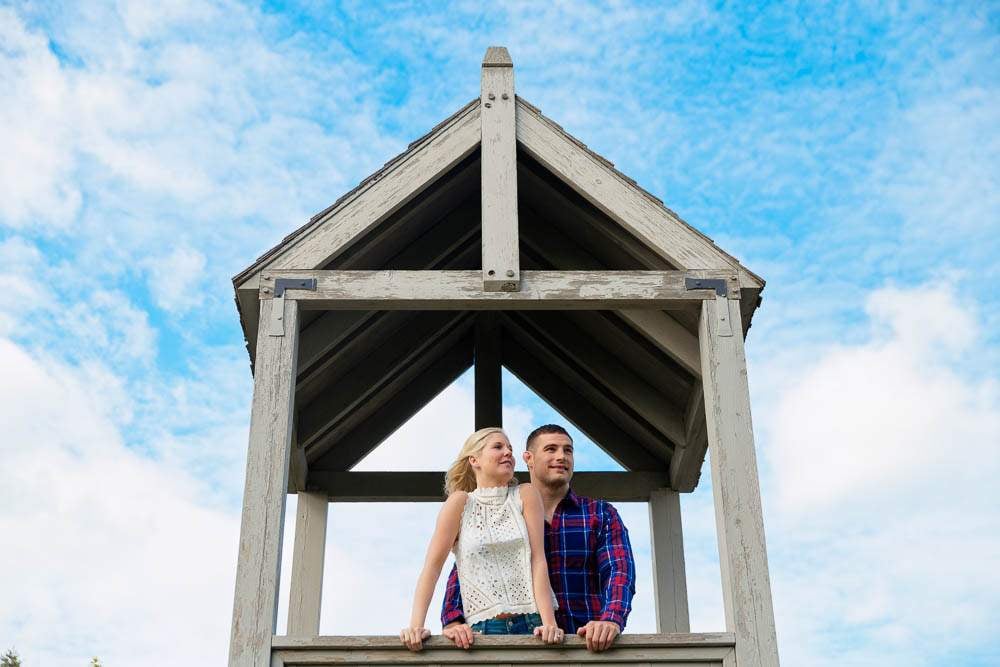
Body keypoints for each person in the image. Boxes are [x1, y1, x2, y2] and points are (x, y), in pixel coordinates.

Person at [440, 424, 635, 653]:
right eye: (551, 449)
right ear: (528, 459)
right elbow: (471, 564)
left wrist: (611, 619)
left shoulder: (600, 514)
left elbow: (619, 571)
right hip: (526, 645)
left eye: (568, 451)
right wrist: (453, 620)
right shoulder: (501, 512)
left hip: (585, 644)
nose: (561, 457)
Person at [399, 427, 564, 652]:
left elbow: (537, 560)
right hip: (482, 630)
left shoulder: (525, 494)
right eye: (498, 447)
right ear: (474, 459)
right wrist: (415, 626)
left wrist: (549, 624)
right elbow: (432, 567)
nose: (508, 452)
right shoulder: (459, 503)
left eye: (510, 448)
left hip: (532, 624)